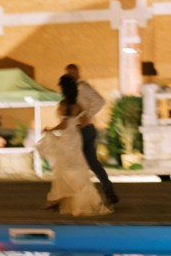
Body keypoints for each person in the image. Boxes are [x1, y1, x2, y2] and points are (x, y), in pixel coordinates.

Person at [37, 74, 112, 216]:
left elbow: (64, 123)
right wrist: (75, 126)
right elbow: (83, 121)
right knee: (77, 166)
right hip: (75, 138)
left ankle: (56, 197)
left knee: (64, 168)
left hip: (66, 139)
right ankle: (69, 197)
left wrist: (50, 130)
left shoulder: (64, 105)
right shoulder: (78, 105)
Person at [65, 64, 119, 206]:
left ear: (77, 73)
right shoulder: (71, 91)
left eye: (73, 73)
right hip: (81, 129)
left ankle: (82, 195)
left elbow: (100, 100)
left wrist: (87, 115)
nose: (71, 75)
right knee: (92, 162)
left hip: (85, 129)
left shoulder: (82, 87)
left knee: (76, 162)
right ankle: (108, 191)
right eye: (68, 73)